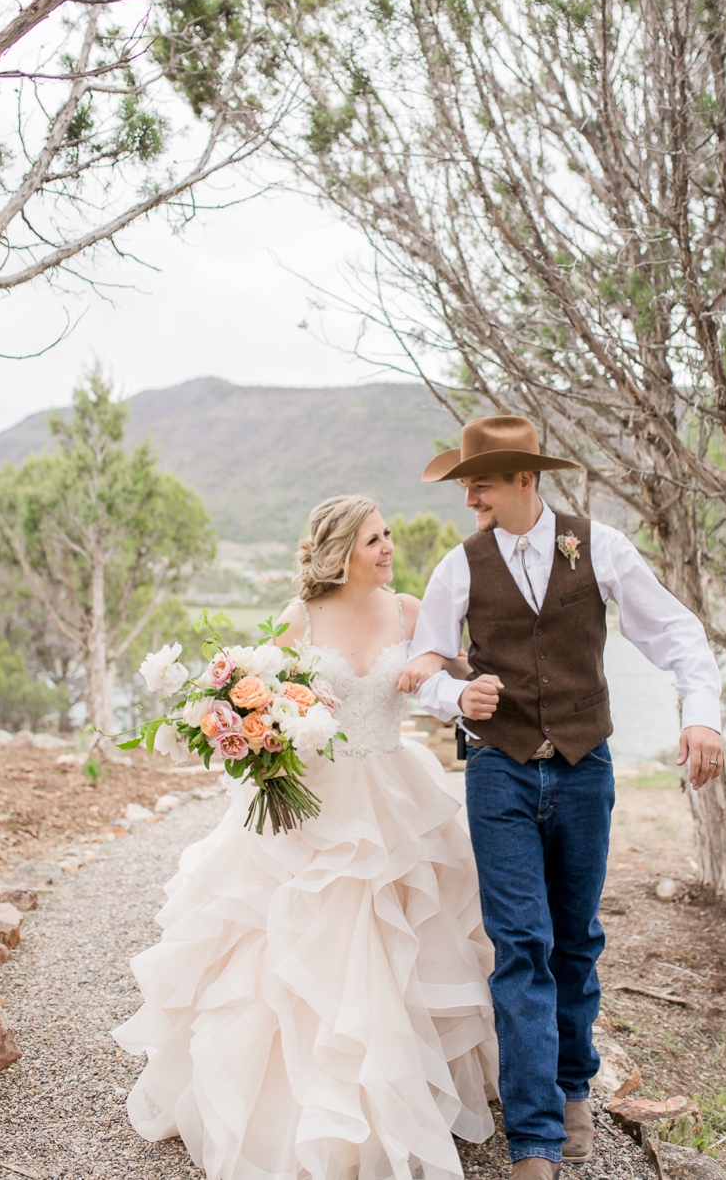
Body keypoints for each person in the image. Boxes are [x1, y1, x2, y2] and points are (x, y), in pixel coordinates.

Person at [114, 494, 498, 1180]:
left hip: (393, 792)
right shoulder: (302, 617)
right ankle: (297, 1113)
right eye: (376, 539)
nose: (388, 548)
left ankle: (402, 1091)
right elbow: (256, 692)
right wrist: (252, 740)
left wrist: (472, 680)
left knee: (404, 937)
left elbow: (465, 672)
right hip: (313, 802)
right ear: (343, 549)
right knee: (292, 946)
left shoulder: (411, 611)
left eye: (388, 537)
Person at [398, 417, 723, 1180]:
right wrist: (457, 693)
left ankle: (575, 1083)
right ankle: (535, 1139)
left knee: (575, 940)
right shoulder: (459, 565)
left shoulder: (600, 547)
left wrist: (701, 711)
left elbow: (676, 632)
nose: (468, 492)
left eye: (481, 478)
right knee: (522, 946)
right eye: (464, 480)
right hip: (498, 771)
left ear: (524, 479)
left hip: (584, 770)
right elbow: (423, 665)